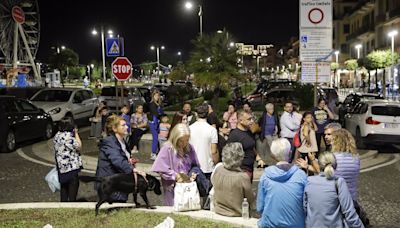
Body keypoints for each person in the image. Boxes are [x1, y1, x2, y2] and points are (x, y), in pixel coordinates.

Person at [304, 152, 364, 228]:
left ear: (319, 165)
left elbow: (305, 208)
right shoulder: (338, 182)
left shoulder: (309, 181)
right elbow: (349, 213)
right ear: (335, 165)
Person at [257, 138, 307, 228]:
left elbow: (260, 207)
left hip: (270, 224)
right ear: (290, 153)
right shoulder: (301, 175)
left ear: (273, 155)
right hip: (296, 224)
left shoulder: (265, 176)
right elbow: (306, 204)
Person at [95, 115, 145, 202]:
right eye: (123, 125)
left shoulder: (121, 140)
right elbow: (117, 160)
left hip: (118, 181)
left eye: (126, 125)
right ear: (114, 128)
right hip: (109, 183)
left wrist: (130, 160)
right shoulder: (109, 141)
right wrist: (133, 170)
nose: (126, 127)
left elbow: (122, 156)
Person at [151, 123, 201, 206]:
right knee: (173, 207)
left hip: (187, 184)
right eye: (181, 140)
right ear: (175, 138)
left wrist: (193, 173)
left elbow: (195, 164)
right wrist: (175, 175)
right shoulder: (168, 148)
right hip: (172, 186)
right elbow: (160, 168)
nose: (184, 143)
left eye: (187, 140)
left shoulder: (189, 148)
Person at [211, 143, 256, 217]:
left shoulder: (218, 170)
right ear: (240, 157)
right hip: (236, 213)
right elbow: (250, 199)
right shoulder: (242, 177)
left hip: (219, 210)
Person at [227, 111, 265, 182]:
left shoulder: (249, 132)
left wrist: (258, 158)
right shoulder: (234, 135)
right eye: (249, 119)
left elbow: (251, 146)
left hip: (250, 167)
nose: (251, 121)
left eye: (252, 119)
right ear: (240, 120)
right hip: (241, 170)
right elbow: (229, 154)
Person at [54, 117, 83, 202]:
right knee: (72, 190)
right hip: (71, 167)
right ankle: (72, 205)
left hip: (61, 167)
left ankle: (63, 206)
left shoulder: (57, 135)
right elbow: (79, 146)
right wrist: (76, 133)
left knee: (64, 189)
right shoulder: (68, 137)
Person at [189, 103, 219, 179]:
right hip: (207, 166)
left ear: (196, 114)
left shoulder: (189, 128)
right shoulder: (212, 130)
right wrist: (216, 163)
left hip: (192, 166)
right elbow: (214, 151)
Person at [148, 90, 164, 160]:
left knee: (158, 138)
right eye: (155, 96)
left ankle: (157, 151)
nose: (157, 97)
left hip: (157, 122)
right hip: (153, 122)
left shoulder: (159, 104)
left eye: (158, 96)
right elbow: (156, 113)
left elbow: (162, 112)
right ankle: (153, 153)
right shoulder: (152, 104)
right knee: (155, 138)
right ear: (153, 96)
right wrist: (159, 113)